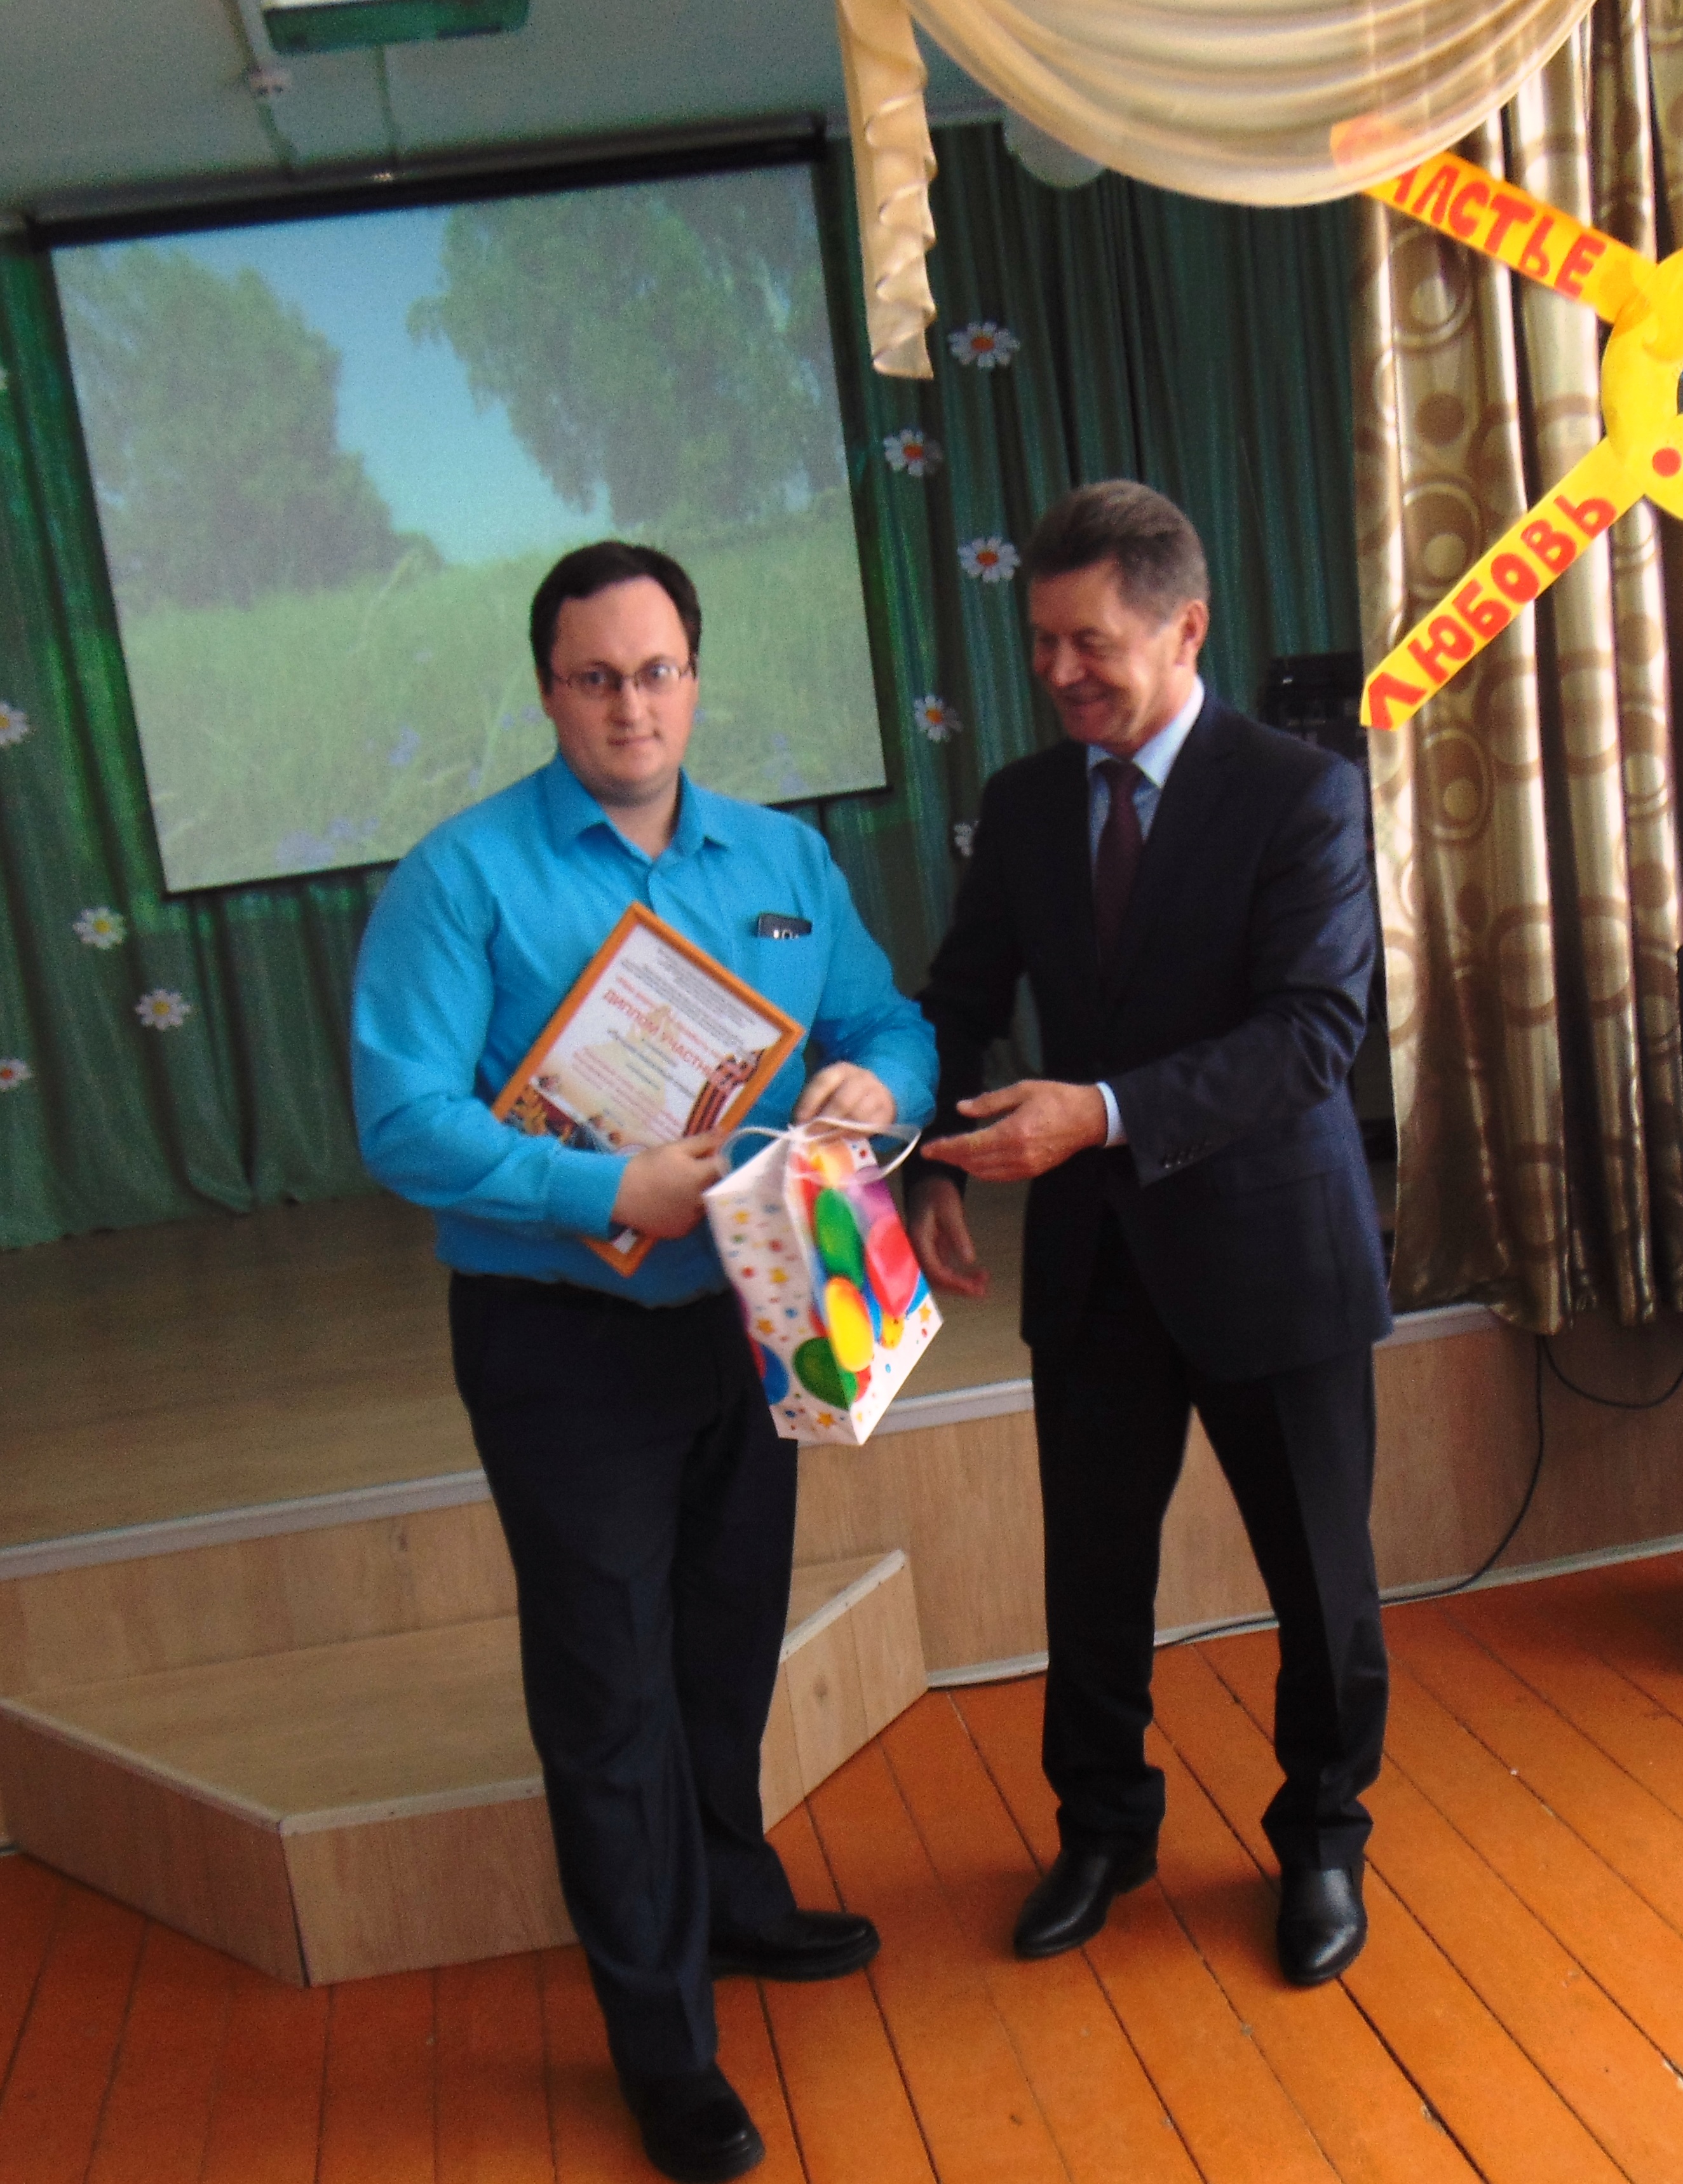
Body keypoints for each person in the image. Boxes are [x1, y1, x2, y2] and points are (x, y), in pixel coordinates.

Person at [352, 541, 936, 2184]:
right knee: (608, 1692)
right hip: (558, 1340)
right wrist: (603, 1188)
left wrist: (874, 1092)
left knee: (725, 1640)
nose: (632, 705)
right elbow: (401, 1121)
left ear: (695, 677)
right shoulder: (461, 879)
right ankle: (663, 2043)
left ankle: (732, 1900)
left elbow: (888, 1024)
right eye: (597, 677)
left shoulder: (782, 856)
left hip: (759, 1306)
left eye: (657, 671)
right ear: (549, 691)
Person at [909, 482, 1391, 1986]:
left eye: (1091, 644)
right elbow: (959, 998)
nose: (1059, 673)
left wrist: (1102, 1113)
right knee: (1093, 1578)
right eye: (1041, 642)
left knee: (1322, 1585)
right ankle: (1103, 1829)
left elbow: (1315, 1033)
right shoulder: (1029, 804)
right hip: (1094, 1267)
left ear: (1186, 628)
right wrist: (922, 1164)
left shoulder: (1301, 793)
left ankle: (1322, 1837)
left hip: (1274, 1260)